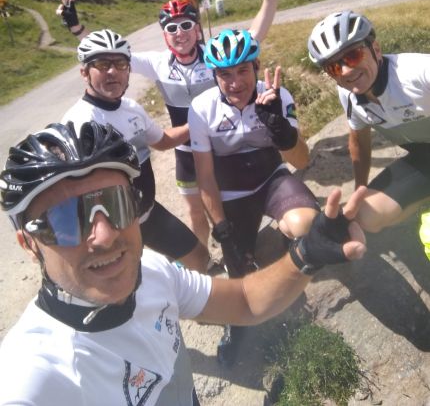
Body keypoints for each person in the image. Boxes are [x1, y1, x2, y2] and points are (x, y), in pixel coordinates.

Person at [0, 121, 366, 405]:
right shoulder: (33, 377)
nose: (105, 234)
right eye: (66, 220)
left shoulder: (154, 273)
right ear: (29, 244)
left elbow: (244, 300)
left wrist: (306, 255)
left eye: (116, 204)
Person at [56, 0, 284, 249]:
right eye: (171, 28)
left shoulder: (215, 57)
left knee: (227, 205)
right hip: (186, 151)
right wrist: (76, 27)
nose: (180, 33)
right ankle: (202, 267)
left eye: (187, 25)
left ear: (198, 29)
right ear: (164, 34)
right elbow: (110, 55)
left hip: (221, 145)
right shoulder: (157, 64)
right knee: (196, 214)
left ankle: (240, 247)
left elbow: (255, 35)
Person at [188, 28, 322, 364]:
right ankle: (238, 326)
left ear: (256, 66)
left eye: (243, 71)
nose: (235, 83)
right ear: (214, 75)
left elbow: (302, 160)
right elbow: (204, 177)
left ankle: (286, 257)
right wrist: (220, 227)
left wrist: (279, 128)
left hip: (271, 179)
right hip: (231, 193)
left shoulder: (277, 96)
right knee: (241, 278)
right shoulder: (201, 108)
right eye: (224, 74)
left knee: (306, 224)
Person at [62, 28, 209, 272]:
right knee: (130, 288)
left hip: (147, 214)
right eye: (102, 63)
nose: (112, 71)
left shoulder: (132, 109)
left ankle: (180, 293)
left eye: (120, 63)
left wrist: (197, 122)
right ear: (84, 72)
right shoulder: (78, 123)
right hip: (114, 230)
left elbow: (162, 141)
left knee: (199, 259)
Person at [307, 9, 430, 233]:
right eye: (334, 67)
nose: (346, 71)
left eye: (353, 56)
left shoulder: (417, 73)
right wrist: (359, 193)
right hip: (424, 158)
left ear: (376, 49)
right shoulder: (348, 93)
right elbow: (359, 142)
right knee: (364, 217)